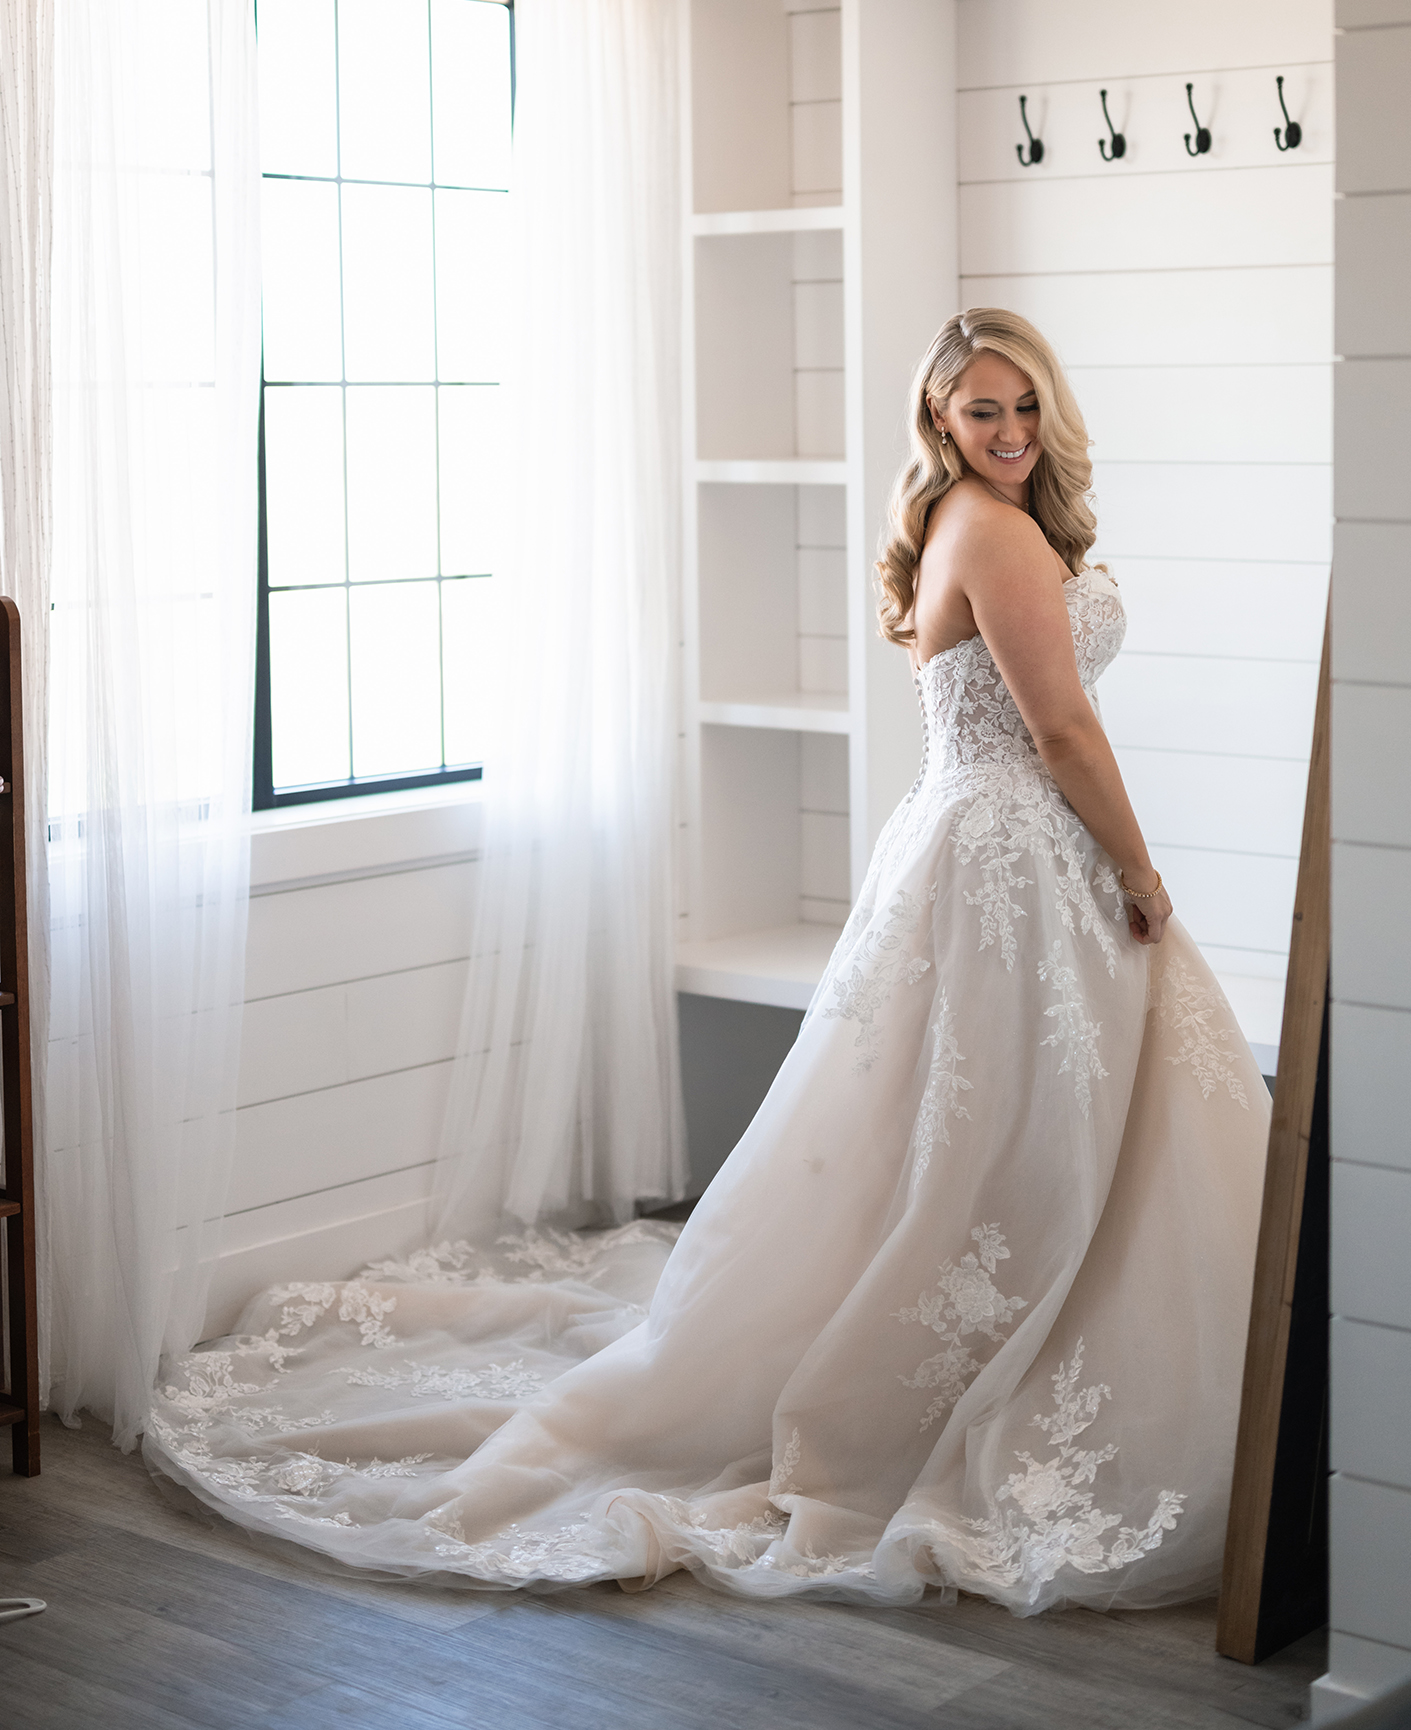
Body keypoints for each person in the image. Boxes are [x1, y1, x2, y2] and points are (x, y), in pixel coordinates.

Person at [147, 307, 1270, 1613]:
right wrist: (1139, 873)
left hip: (991, 845)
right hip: (1017, 853)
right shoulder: (993, 527)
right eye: (982, 411)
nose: (1011, 433)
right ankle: (967, 1385)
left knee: (974, 1148)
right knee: (998, 1152)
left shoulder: (986, 523)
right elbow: (1064, 727)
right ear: (940, 423)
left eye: (1026, 407)